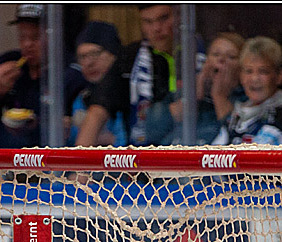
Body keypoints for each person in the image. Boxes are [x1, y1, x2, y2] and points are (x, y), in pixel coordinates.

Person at [75, 4, 203, 147]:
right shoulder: (130, 57)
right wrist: (80, 159)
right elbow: (98, 111)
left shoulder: (204, 52)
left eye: (164, 18)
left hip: (200, 147)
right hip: (144, 153)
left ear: (180, 16)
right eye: (148, 22)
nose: (156, 28)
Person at [0, 3, 85, 148]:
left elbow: (74, 128)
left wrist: (35, 126)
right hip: (7, 158)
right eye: (22, 36)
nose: (27, 44)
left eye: (35, 37)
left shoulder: (70, 72)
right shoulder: (6, 63)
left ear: (55, 35)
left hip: (50, 157)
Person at [211, 36, 282, 146]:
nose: (254, 78)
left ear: (279, 76)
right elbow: (215, 149)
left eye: (263, 71)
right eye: (249, 71)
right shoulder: (237, 115)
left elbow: (261, 152)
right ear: (241, 76)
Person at [67, 20, 126, 146]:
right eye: (82, 57)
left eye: (95, 54)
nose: (89, 63)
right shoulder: (81, 99)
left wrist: (111, 141)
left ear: (114, 54)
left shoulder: (128, 94)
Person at [195, 32, 244, 144]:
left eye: (231, 56)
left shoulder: (248, 98)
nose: (221, 59)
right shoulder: (188, 92)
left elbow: (238, 134)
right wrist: (194, 97)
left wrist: (219, 96)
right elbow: (160, 130)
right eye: (216, 54)